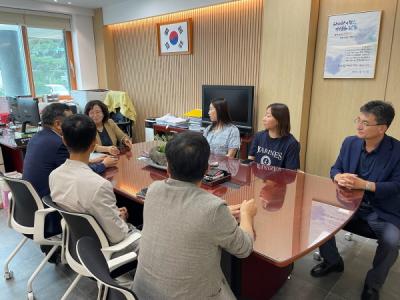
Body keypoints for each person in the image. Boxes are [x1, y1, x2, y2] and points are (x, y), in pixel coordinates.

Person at [132, 131, 257, 299]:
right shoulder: (212, 209)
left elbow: (181, 214)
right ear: (206, 169)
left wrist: (221, 215)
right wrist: (246, 214)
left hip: (141, 293)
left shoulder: (154, 190)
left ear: (167, 166)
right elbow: (244, 248)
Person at [310, 100, 400, 300]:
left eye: (365, 123)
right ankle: (333, 261)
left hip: (381, 210)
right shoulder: (350, 142)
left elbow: (396, 186)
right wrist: (337, 176)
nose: (358, 126)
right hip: (348, 204)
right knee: (316, 214)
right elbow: (335, 168)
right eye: (358, 120)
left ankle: (373, 284)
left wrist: (365, 184)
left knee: (393, 241)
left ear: (382, 128)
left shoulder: (397, 151)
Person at [49, 114, 139, 254]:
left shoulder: (54, 175)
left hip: (79, 243)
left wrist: (113, 213)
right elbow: (118, 236)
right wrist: (120, 218)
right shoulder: (99, 185)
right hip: (105, 250)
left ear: (64, 140)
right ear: (93, 146)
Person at [23, 103, 118, 235]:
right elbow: (75, 173)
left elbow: (68, 164)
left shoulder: (37, 138)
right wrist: (103, 165)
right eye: (70, 120)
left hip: (30, 209)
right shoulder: (57, 144)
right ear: (57, 124)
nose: (73, 124)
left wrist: (88, 159)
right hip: (53, 213)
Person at [248, 103, 300, 170]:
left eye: (268, 116)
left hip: (278, 180)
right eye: (265, 115)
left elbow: (291, 174)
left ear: (279, 120)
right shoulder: (258, 136)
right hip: (258, 179)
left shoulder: (291, 144)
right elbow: (250, 160)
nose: (264, 119)